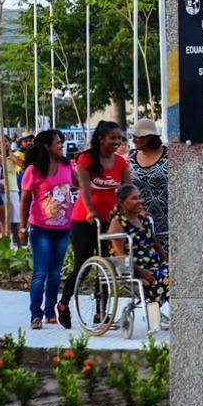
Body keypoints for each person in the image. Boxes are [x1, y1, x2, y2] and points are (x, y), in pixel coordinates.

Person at [57, 121, 130, 328]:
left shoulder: (120, 163)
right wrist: (90, 210)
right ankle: (63, 304)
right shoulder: (86, 159)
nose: (117, 142)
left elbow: (127, 189)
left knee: (107, 266)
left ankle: (101, 312)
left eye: (119, 138)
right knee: (84, 264)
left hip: (111, 219)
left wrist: (131, 211)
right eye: (113, 138)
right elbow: (85, 189)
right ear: (101, 138)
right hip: (85, 219)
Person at [20, 129, 76, 329]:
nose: (61, 145)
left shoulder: (67, 166)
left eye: (62, 142)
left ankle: (50, 311)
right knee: (40, 273)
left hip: (63, 229)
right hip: (40, 228)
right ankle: (36, 314)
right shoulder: (33, 171)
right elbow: (25, 200)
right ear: (46, 146)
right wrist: (23, 227)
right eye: (57, 142)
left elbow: (79, 185)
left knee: (55, 274)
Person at [107, 184, 169, 327]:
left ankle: (160, 314)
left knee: (172, 273)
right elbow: (119, 253)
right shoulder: (118, 222)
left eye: (140, 197)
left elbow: (156, 244)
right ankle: (154, 318)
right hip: (132, 267)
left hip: (152, 263)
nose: (140, 201)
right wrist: (140, 271)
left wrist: (166, 261)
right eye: (134, 198)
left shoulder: (144, 220)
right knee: (160, 276)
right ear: (122, 203)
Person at [128, 118, 169, 251]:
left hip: (166, 220)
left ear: (150, 137)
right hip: (139, 218)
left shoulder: (168, 155)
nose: (134, 140)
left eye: (138, 137)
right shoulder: (131, 156)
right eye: (133, 136)